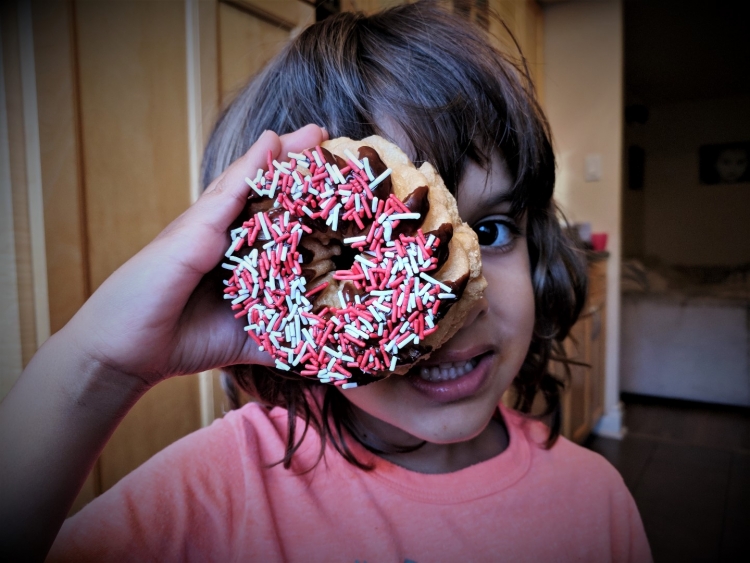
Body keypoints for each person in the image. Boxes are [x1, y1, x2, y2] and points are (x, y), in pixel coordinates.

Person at [0, 3, 651, 561]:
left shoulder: (597, 503)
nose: (457, 301)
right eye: (355, 256)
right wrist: (98, 364)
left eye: (491, 232)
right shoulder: (211, 496)